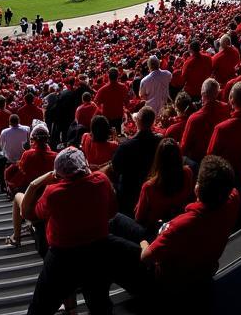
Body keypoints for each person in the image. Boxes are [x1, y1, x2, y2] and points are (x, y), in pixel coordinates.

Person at [108, 155, 239, 301]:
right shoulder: (233, 200)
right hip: (202, 268)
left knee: (113, 233)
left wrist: (144, 241)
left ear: (197, 188)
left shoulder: (182, 225)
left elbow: (146, 258)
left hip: (169, 282)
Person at [19, 147, 116, 315]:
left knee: (40, 308)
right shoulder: (101, 180)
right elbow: (112, 211)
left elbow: (29, 214)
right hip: (98, 251)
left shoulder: (53, 193)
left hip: (62, 257)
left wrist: (35, 184)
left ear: (58, 174)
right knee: (100, 304)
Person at [131, 137, 194, 238]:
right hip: (180, 222)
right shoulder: (188, 173)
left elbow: (138, 218)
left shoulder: (149, 187)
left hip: (156, 232)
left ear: (158, 159)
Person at [110, 106, 161, 212]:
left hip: (129, 191)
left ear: (137, 121)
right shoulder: (159, 141)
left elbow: (115, 168)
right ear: (153, 122)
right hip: (152, 186)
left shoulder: (126, 146)